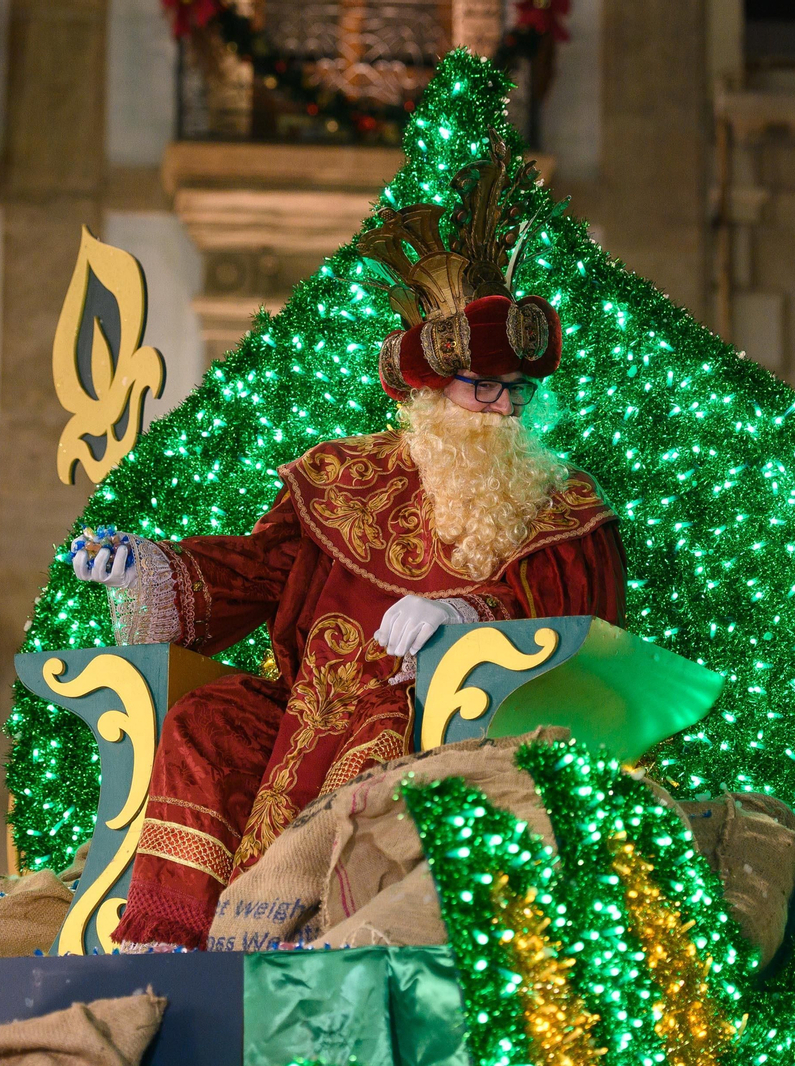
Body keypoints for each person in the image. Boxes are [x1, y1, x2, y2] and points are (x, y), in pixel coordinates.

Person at [70, 141, 627, 951]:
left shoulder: (564, 505)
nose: (505, 410)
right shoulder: (341, 475)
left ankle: (309, 940)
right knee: (207, 721)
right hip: (300, 711)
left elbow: (576, 624)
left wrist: (462, 613)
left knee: (370, 749)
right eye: (483, 388)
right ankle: (170, 949)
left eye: (519, 390)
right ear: (431, 393)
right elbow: (256, 571)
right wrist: (152, 567)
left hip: (432, 724)